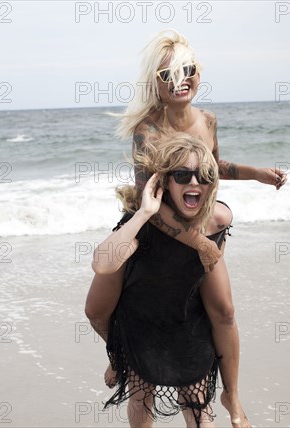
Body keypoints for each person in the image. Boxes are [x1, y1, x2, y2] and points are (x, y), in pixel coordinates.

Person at [85, 29, 287, 428]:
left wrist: (256, 174)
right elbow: (153, 205)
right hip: (154, 233)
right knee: (112, 313)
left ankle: (231, 394)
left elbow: (214, 169)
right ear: (156, 84)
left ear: (199, 74)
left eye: (188, 70)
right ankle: (121, 358)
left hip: (199, 228)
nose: (180, 80)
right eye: (168, 74)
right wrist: (198, 242)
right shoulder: (147, 129)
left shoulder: (208, 119)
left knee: (225, 312)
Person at [92, 133, 228, 427]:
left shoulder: (218, 220)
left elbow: (204, 278)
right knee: (141, 395)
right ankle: (117, 357)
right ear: (165, 182)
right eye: (182, 174)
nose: (194, 182)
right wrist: (143, 213)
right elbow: (102, 265)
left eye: (203, 175)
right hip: (140, 321)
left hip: (186, 319)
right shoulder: (144, 222)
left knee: (196, 402)